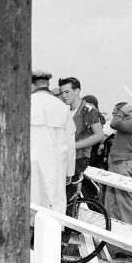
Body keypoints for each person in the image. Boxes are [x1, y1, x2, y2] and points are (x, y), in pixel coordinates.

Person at [29, 70, 74, 213]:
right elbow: (70, 141)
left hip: (30, 164)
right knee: (52, 210)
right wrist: (69, 172)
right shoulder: (62, 107)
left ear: (31, 84)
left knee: (30, 205)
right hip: (55, 167)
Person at [58, 77, 105, 200]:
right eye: (61, 92)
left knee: (69, 198)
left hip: (79, 158)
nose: (63, 96)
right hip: (65, 158)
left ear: (77, 91)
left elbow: (99, 135)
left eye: (67, 92)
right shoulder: (65, 110)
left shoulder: (89, 110)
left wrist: (74, 145)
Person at [104, 102, 132, 237]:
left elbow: (113, 124)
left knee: (126, 204)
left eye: (116, 113)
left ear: (124, 112)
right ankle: (115, 244)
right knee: (111, 204)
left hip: (125, 165)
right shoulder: (124, 126)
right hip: (117, 164)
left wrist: (121, 112)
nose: (114, 115)